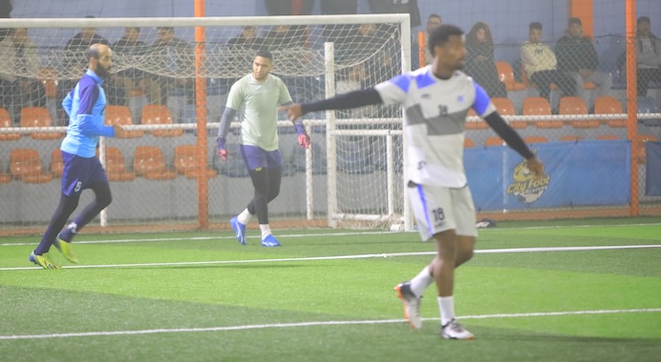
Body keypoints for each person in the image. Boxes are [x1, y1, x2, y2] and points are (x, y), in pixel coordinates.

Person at [281, 24, 545, 340]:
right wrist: (307, 107)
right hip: (425, 180)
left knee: (465, 251)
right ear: (438, 50)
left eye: (463, 46)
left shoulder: (469, 87)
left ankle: (413, 288)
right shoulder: (411, 83)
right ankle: (448, 323)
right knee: (447, 248)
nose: (462, 52)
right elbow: (360, 97)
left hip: (456, 181)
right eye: (456, 46)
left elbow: (499, 125)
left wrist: (528, 156)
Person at [29, 44, 133, 269]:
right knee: (67, 206)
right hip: (77, 154)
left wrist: (77, 122)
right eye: (106, 58)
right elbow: (84, 123)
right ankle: (39, 252)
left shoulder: (87, 83)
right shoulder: (91, 86)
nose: (110, 63)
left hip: (87, 155)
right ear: (93, 61)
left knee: (104, 197)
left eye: (110, 58)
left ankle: (66, 236)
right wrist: (111, 131)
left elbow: (67, 103)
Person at [217, 50, 310, 247]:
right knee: (261, 189)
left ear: (271, 67)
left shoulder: (277, 84)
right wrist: (221, 141)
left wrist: (300, 130)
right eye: (256, 64)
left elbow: (291, 108)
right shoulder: (240, 85)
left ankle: (241, 219)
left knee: (273, 191)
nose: (258, 68)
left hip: (272, 145)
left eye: (264, 65)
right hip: (250, 144)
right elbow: (227, 115)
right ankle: (265, 234)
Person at [0, 28, 46, 120]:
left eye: (23, 34)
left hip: (27, 80)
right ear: (12, 34)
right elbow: (2, 69)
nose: (21, 36)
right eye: (19, 34)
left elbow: (34, 66)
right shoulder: (3, 46)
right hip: (8, 79)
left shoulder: (31, 46)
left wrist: (29, 80)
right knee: (4, 86)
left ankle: (40, 118)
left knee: (38, 87)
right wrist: (16, 81)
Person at [57, 17, 110, 124]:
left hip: (97, 77)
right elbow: (66, 64)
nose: (88, 30)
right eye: (86, 28)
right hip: (76, 77)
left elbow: (107, 65)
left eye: (91, 28)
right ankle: (65, 121)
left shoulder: (102, 43)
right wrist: (73, 69)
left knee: (113, 86)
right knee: (62, 87)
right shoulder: (73, 42)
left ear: (95, 29)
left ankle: (108, 119)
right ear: (82, 28)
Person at [555, 18, 612, 105]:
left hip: (587, 73)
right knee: (578, 78)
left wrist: (591, 69)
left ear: (581, 28)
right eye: (573, 27)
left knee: (607, 78)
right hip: (570, 73)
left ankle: (596, 106)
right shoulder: (562, 42)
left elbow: (594, 58)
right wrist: (578, 70)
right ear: (568, 28)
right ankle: (581, 107)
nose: (575, 30)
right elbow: (562, 61)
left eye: (577, 27)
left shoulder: (586, 41)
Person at [520, 22, 576, 103]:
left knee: (571, 83)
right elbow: (534, 61)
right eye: (533, 34)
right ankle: (546, 107)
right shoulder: (525, 46)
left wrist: (541, 61)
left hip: (550, 71)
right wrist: (545, 60)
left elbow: (554, 61)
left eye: (538, 34)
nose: (536, 36)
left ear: (541, 35)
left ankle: (562, 106)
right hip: (536, 72)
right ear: (529, 34)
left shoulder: (544, 46)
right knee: (545, 83)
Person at [110, 26, 161, 106]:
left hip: (140, 78)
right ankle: (127, 110)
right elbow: (111, 63)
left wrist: (142, 79)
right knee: (128, 83)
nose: (130, 34)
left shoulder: (143, 46)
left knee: (155, 87)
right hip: (123, 77)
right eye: (128, 31)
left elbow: (148, 65)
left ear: (138, 34)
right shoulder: (117, 46)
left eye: (133, 32)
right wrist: (114, 76)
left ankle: (156, 110)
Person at [464, 21, 507, 98]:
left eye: (484, 34)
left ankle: (490, 92)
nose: (482, 36)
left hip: (486, 74)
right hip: (470, 73)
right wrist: (475, 58)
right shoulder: (467, 40)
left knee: (488, 65)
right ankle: (487, 91)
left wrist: (478, 55)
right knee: (482, 66)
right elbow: (467, 58)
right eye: (480, 33)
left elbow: (489, 56)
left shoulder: (488, 45)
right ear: (474, 33)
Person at [635, 16, 661, 97]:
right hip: (641, 69)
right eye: (643, 24)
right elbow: (637, 58)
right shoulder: (634, 41)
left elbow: (660, 57)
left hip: (656, 68)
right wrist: (653, 55)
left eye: (647, 24)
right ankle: (641, 101)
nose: (645, 27)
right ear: (638, 26)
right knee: (641, 80)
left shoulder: (656, 40)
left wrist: (649, 61)